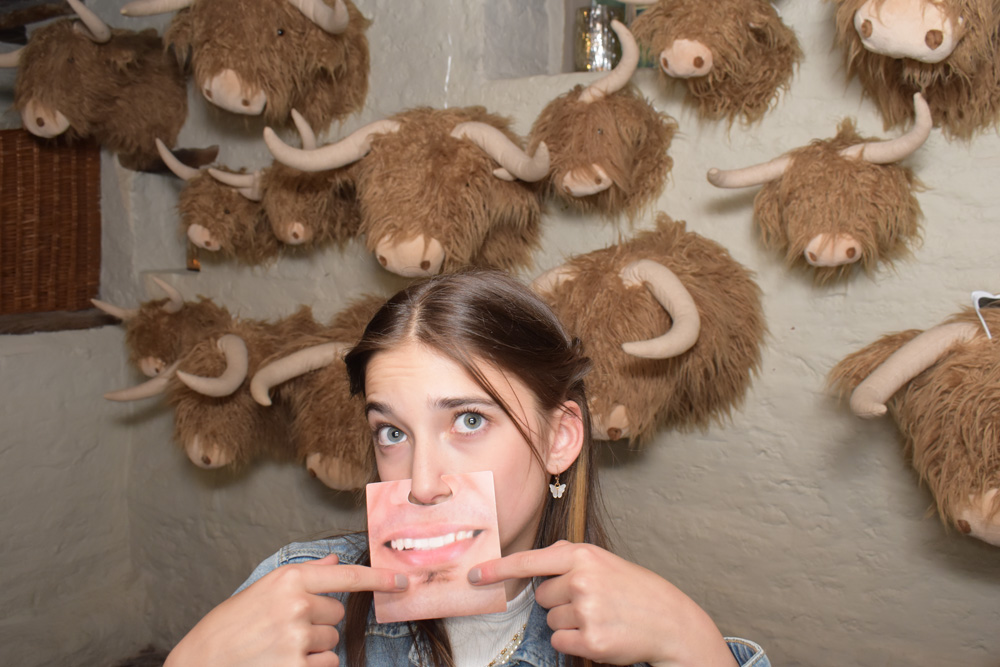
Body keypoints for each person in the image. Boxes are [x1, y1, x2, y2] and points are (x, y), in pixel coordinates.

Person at [164, 269, 770, 667]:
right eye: (393, 432)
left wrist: (695, 645)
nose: (421, 482)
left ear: (560, 437)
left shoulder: (643, 636)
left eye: (470, 421)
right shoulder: (300, 595)